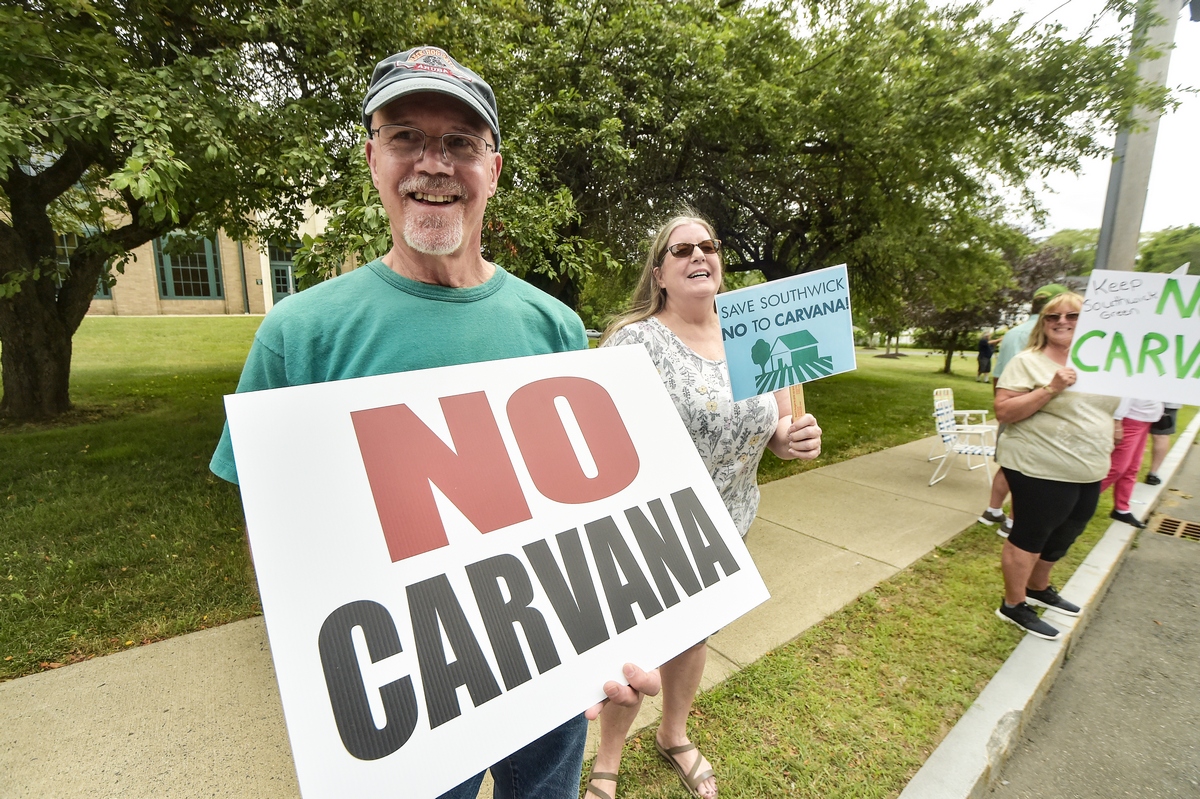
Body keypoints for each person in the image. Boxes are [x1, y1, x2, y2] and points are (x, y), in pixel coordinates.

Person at [208, 45, 659, 799]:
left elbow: (592, 516)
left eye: (459, 142)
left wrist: (612, 638)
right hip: (405, 702)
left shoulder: (554, 324)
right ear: (371, 156)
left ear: (494, 166)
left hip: (545, 679)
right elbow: (272, 522)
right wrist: (310, 666)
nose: (434, 163)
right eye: (406, 136)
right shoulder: (299, 332)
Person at [593, 212, 823, 799]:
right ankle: (608, 760)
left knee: (692, 635)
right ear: (660, 273)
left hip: (729, 524)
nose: (700, 255)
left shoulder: (753, 332)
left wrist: (788, 440)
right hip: (653, 532)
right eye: (682, 249)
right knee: (637, 648)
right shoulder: (635, 341)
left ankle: (674, 734)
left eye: (709, 246)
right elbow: (602, 442)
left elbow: (773, 425)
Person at [992, 292, 1119, 640]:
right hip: (1038, 464)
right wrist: (1052, 388)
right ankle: (1013, 604)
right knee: (1031, 533)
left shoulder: (1107, 361)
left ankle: (1038, 587)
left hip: (1089, 465)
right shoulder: (1028, 361)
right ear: (1043, 323)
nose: (1062, 321)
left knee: (1069, 529)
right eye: (1053, 316)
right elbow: (1004, 411)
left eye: (1072, 315)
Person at [978, 284, 1069, 537]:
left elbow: (998, 376)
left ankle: (993, 510)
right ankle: (1013, 521)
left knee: (1006, 461)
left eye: (1072, 315)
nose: (1063, 321)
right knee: (1027, 470)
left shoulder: (1012, 333)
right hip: (1039, 413)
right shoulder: (1061, 336)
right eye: (1058, 314)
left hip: (1009, 402)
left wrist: (1002, 402)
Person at [1101, 398, 1163, 528]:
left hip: (1145, 419)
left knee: (1132, 467)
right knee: (1117, 468)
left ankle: (1122, 508)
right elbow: (1127, 392)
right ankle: (1078, 502)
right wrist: (1117, 421)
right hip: (1130, 418)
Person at [1145, 403, 1182, 485]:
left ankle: (1126, 469)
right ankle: (1153, 474)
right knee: (1161, 435)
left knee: (1137, 432)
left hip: (1142, 401)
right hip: (1167, 403)